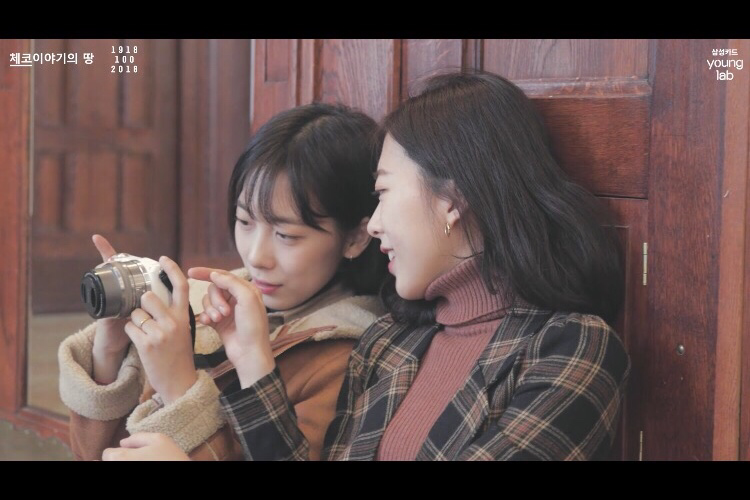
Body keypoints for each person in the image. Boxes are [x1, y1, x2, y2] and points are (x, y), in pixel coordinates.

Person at [104, 70, 631, 461]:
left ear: (453, 199)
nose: (374, 224)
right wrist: (252, 360)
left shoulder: (572, 348)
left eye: (383, 193)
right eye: (245, 221)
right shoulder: (390, 341)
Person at [58, 102, 388, 461]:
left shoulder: (344, 357)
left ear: (355, 237)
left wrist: (179, 388)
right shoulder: (205, 307)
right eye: (245, 221)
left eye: (287, 235)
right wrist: (108, 351)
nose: (256, 256)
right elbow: (98, 454)